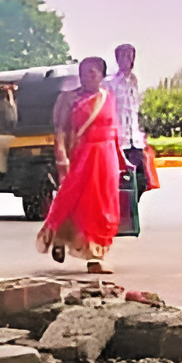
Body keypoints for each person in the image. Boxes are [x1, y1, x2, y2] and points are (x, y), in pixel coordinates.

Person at [36, 56, 124, 272]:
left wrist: (122, 158)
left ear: (102, 75)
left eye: (95, 70)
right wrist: (62, 157)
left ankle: (91, 253)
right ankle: (80, 250)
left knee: (104, 205)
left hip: (107, 158)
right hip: (82, 156)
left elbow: (114, 131)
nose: (90, 74)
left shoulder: (108, 97)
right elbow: (61, 130)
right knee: (80, 203)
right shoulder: (69, 99)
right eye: (85, 70)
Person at [109, 43, 158, 193]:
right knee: (122, 182)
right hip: (120, 141)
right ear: (117, 59)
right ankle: (124, 213)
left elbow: (136, 111)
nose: (127, 59)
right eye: (123, 56)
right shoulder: (110, 83)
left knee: (141, 181)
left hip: (135, 141)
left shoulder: (135, 82)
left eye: (130, 56)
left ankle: (130, 211)